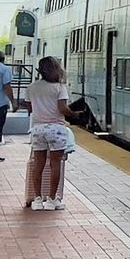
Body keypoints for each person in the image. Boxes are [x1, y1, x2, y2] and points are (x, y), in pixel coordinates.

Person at [23, 57, 75, 211]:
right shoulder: (59, 88)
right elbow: (63, 109)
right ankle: (52, 200)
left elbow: (30, 108)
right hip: (56, 129)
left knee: (38, 165)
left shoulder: (31, 88)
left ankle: (38, 200)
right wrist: (75, 114)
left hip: (38, 129)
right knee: (55, 165)